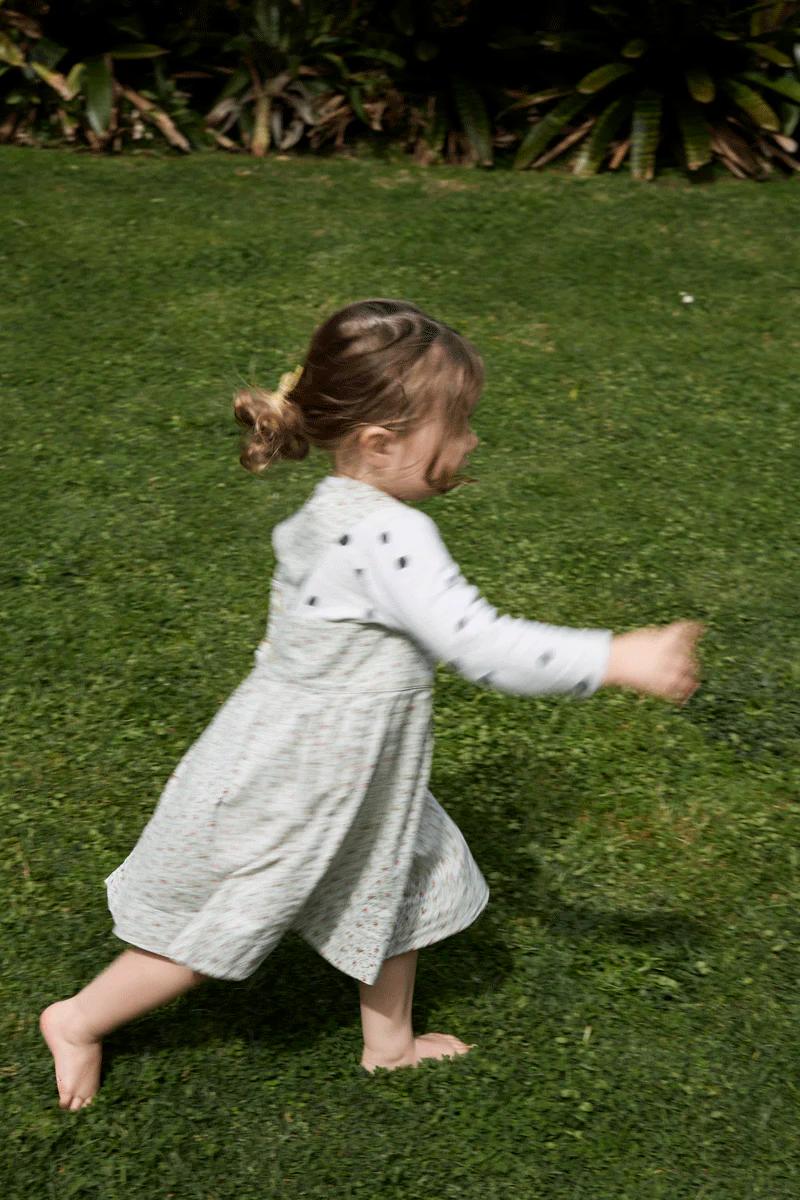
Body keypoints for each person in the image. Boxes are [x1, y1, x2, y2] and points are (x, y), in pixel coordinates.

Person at [40, 299, 703, 1111]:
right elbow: (478, 643)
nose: (472, 441)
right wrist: (616, 657)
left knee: (406, 868)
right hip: (305, 779)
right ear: (381, 442)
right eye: (458, 426)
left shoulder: (329, 510)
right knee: (230, 914)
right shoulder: (392, 537)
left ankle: (388, 1046)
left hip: (345, 760)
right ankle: (76, 1020)